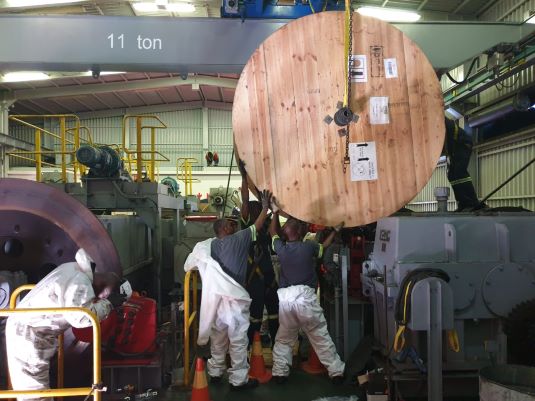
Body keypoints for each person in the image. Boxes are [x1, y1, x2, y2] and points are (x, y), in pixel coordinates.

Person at [6, 248, 124, 401]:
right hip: (29, 333)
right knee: (34, 393)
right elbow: (80, 317)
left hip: (30, 329)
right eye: (104, 296)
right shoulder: (80, 281)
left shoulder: (75, 268)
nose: (99, 298)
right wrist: (108, 304)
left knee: (34, 389)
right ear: (104, 286)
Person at [184, 189, 272, 390]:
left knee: (218, 338)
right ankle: (238, 380)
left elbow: (191, 264)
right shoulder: (239, 239)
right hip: (234, 301)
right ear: (224, 228)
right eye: (231, 224)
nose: (234, 226)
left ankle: (215, 372)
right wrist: (266, 207)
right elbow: (257, 226)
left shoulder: (209, 246)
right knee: (238, 340)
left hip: (215, 301)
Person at [269, 208, 345, 384]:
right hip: (306, 299)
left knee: (284, 338)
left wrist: (274, 213)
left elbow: (273, 232)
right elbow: (323, 247)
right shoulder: (309, 247)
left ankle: (279, 373)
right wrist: (335, 231)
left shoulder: (281, 248)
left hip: (286, 301)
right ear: (300, 232)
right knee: (319, 336)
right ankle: (336, 372)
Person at [238, 160, 279, 346]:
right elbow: (245, 200)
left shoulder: (266, 226)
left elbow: (276, 232)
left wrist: (275, 212)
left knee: (274, 313)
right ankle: (250, 348)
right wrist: (244, 176)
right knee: (255, 315)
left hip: (268, 275)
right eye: (256, 208)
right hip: (254, 276)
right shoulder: (247, 227)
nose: (257, 209)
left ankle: (276, 343)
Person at [445, 117, 483, 211]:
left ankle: (472, 202)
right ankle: (462, 203)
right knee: (451, 175)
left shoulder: (437, 120)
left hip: (462, 143)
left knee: (460, 172)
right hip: (454, 147)